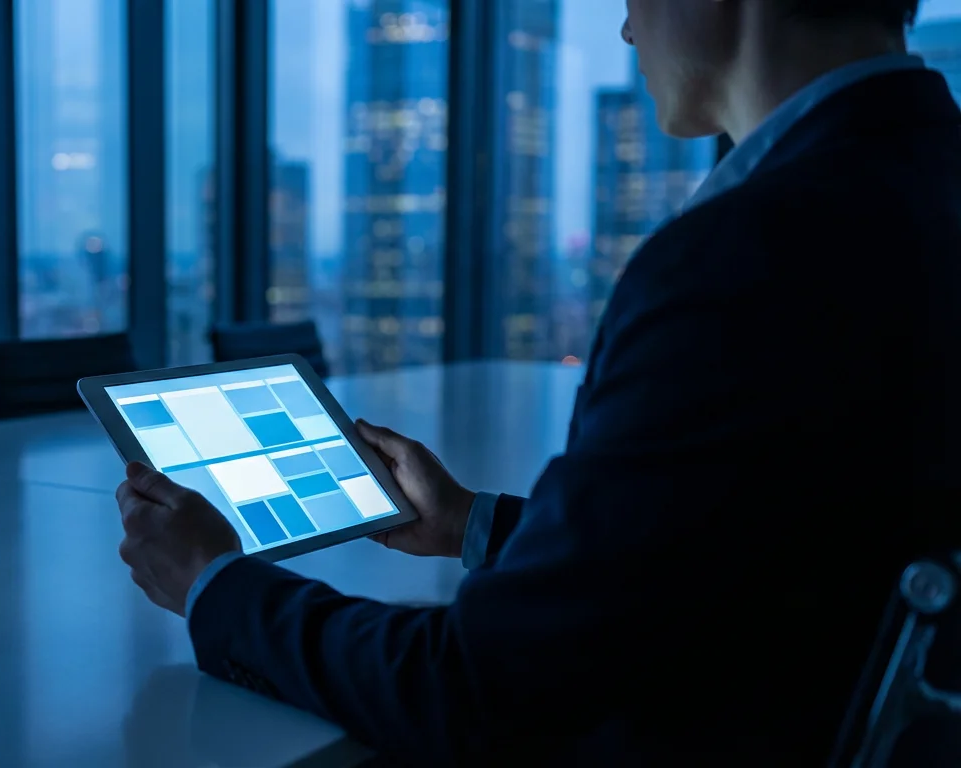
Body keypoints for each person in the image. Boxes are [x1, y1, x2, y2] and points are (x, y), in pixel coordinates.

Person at [115, 0, 961, 762]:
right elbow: (760, 553)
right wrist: (471, 525)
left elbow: (482, 692)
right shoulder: (919, 185)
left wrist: (215, 586)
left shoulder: (748, 255)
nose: (628, 29)